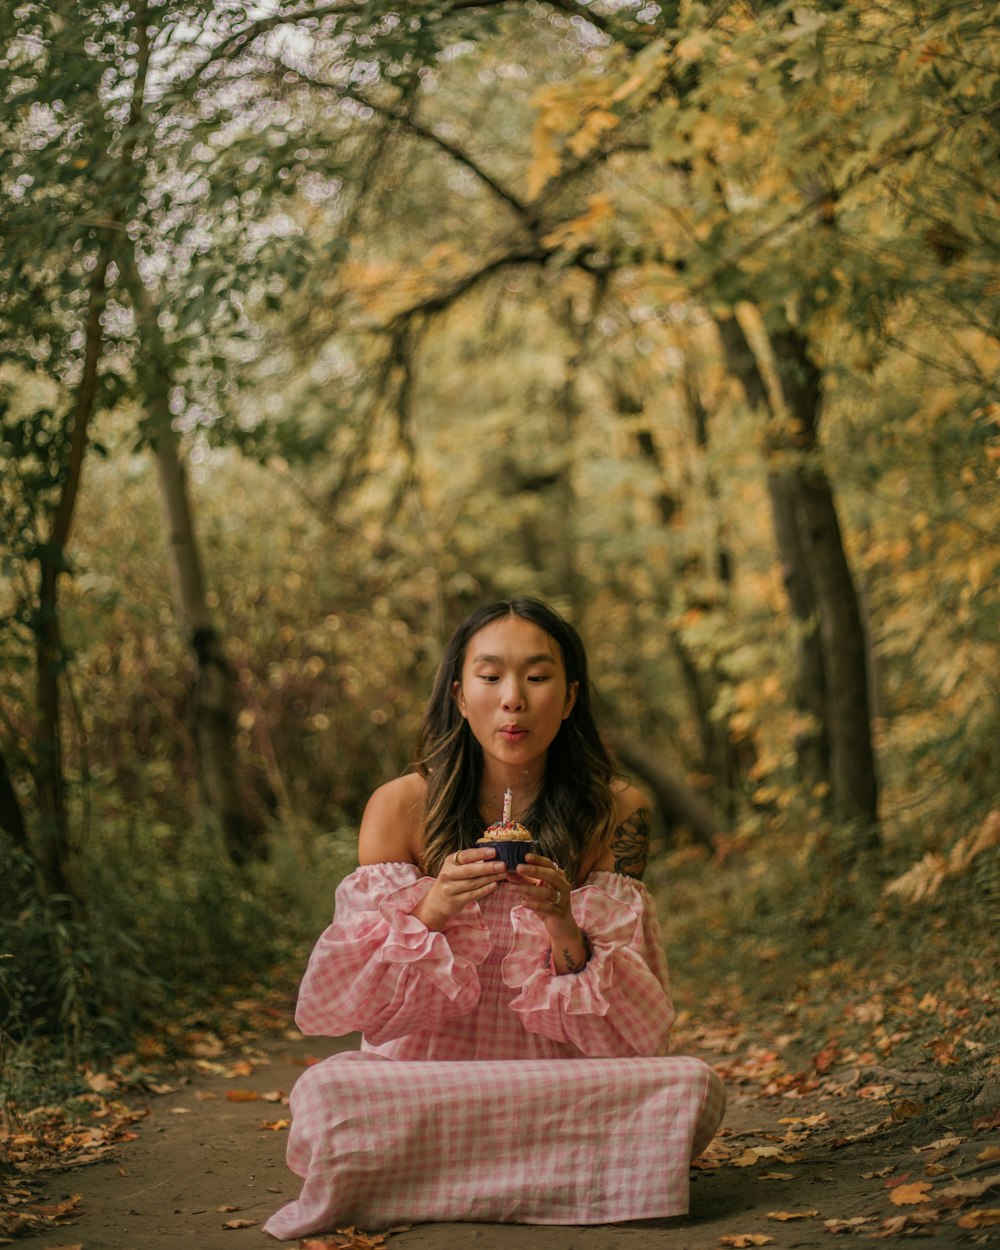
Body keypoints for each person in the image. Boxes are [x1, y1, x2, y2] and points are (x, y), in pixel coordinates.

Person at [264, 598, 725, 1238]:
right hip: (426, 1084)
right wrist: (432, 908)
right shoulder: (400, 807)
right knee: (326, 1098)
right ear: (459, 694)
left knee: (690, 1086)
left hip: (558, 1084)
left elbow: (631, 1033)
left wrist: (564, 923)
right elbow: (360, 1007)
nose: (513, 699)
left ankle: (431, 1180)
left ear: (568, 699)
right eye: (490, 677)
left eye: (537, 678)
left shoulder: (616, 811)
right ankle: (565, 1179)